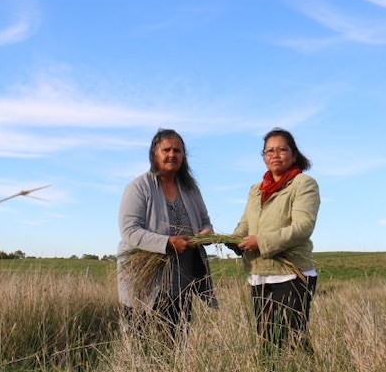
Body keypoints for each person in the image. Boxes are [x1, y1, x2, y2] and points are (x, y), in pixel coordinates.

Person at [117, 129, 218, 340]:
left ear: (183, 156)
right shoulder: (138, 187)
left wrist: (206, 233)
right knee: (140, 345)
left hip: (182, 283)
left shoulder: (190, 189)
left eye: (177, 150)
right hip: (145, 284)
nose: (172, 154)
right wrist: (167, 243)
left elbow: (205, 221)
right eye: (166, 150)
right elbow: (129, 231)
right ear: (154, 153)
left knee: (176, 343)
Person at [232, 128, 320, 350]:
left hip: (292, 274)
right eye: (269, 151)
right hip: (259, 274)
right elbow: (246, 224)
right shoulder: (256, 189)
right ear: (263, 156)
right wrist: (232, 239)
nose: (275, 155)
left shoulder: (303, 184)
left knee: (294, 340)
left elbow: (302, 227)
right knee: (267, 343)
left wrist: (260, 242)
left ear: (293, 154)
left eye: (282, 149)